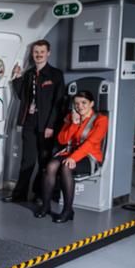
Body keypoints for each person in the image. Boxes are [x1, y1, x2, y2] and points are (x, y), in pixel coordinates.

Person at [3, 40, 64, 204]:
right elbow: (22, 96)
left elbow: (58, 103)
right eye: (36, 52)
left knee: (44, 161)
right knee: (27, 160)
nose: (38, 54)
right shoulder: (29, 74)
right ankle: (19, 194)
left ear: (48, 53)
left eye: (42, 52)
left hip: (46, 125)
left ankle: (40, 195)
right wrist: (17, 77)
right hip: (29, 123)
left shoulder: (56, 75)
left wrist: (51, 125)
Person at [34, 91, 108, 223]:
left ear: (92, 104)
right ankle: (45, 206)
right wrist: (73, 123)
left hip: (89, 156)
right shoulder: (71, 117)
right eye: (77, 103)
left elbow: (91, 143)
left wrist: (73, 158)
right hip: (68, 153)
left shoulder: (101, 120)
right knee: (50, 166)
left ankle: (68, 211)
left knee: (66, 168)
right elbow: (62, 140)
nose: (80, 106)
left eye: (84, 103)